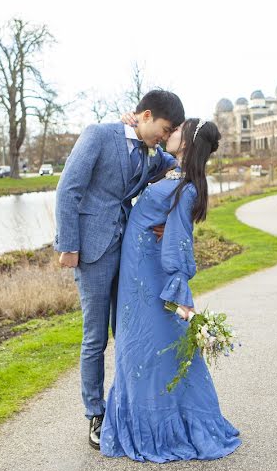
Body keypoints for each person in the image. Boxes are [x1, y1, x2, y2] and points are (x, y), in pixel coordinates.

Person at [100, 118, 241, 462]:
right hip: (134, 270)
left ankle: (166, 426)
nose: (171, 131)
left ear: (188, 142)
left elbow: (178, 239)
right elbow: (146, 146)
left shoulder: (188, 186)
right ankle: (136, 417)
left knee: (148, 346)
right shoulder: (170, 171)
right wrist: (131, 123)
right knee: (135, 345)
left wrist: (179, 293)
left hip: (150, 274)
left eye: (177, 130)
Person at [54, 90, 184, 450]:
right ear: (145, 115)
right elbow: (68, 189)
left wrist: (167, 220)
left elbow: (178, 170)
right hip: (92, 252)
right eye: (164, 127)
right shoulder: (98, 135)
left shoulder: (152, 154)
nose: (164, 134)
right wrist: (68, 245)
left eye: (170, 131)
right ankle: (95, 412)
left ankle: (127, 405)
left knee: (126, 331)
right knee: (95, 337)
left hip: (128, 253)